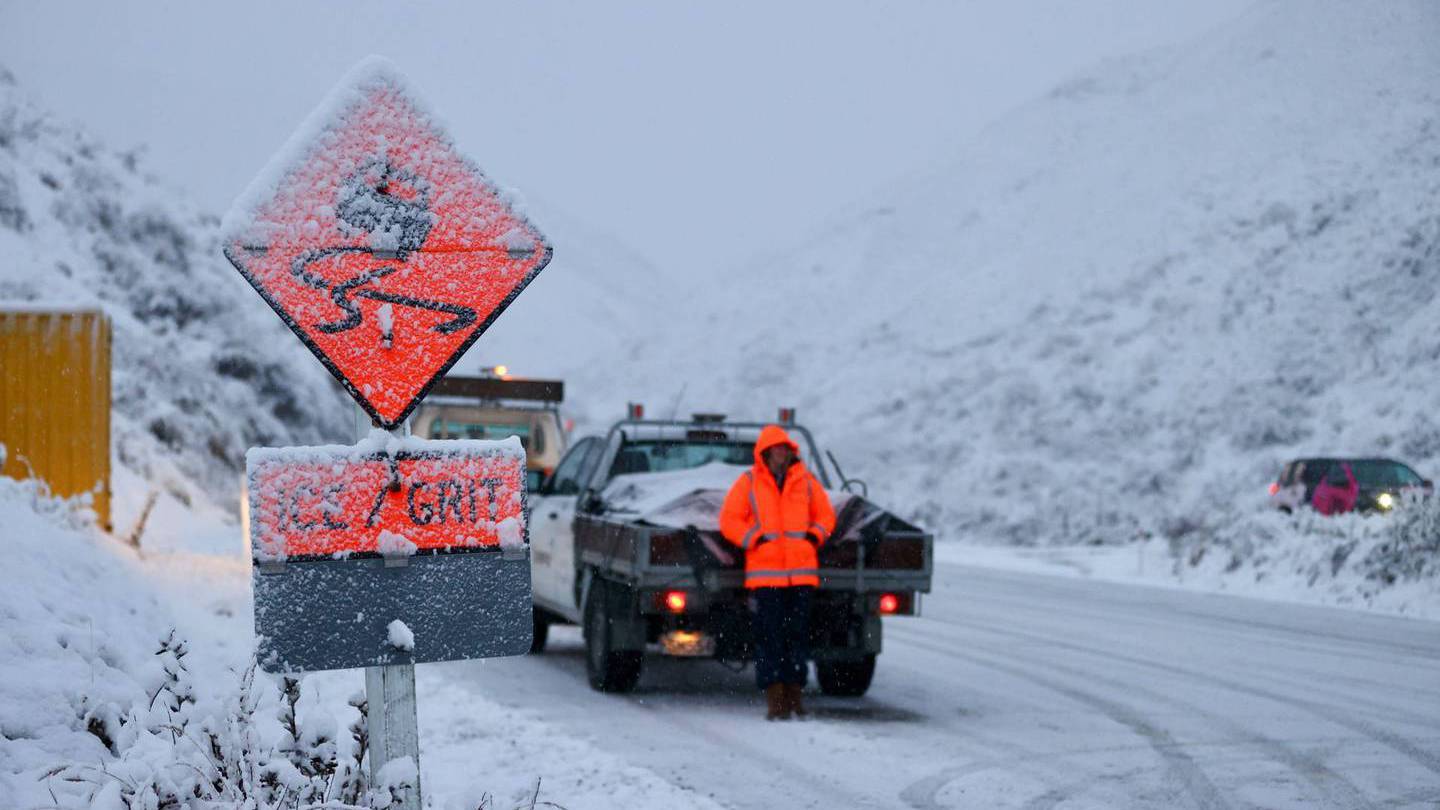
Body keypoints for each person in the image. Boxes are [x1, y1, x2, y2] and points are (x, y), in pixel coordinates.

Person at [719, 425, 835, 720]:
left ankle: (796, 696)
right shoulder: (749, 482)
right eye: (776, 449)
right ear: (765, 453)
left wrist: (814, 536)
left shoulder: (807, 482)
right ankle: (775, 700)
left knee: (796, 636)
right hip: (766, 576)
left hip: (801, 575)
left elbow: (826, 515)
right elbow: (729, 519)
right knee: (770, 637)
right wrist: (753, 539)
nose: (781, 454)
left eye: (785, 449)